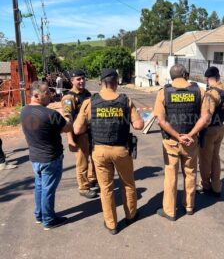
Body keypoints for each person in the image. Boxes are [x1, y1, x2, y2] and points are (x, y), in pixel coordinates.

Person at [73, 68, 144, 235]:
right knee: (128, 184)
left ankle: (111, 224)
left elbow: (77, 129)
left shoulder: (90, 102)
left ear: (101, 83)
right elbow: (139, 125)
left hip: (99, 151)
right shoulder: (126, 100)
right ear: (117, 82)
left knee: (106, 188)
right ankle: (131, 215)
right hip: (121, 150)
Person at [153, 64, 213, 220]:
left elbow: (161, 120)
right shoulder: (200, 91)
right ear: (186, 74)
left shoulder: (163, 92)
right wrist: (191, 134)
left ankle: (170, 211)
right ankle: (189, 207)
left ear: (171, 76)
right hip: (191, 142)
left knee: (170, 175)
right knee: (191, 173)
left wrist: (178, 136)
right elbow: (205, 117)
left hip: (171, 142)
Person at [20, 81, 72, 230]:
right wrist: (67, 116)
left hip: (35, 157)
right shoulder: (51, 114)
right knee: (48, 189)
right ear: (36, 95)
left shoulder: (24, 111)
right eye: (46, 93)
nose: (50, 96)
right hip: (50, 158)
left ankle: (39, 215)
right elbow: (68, 127)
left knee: (39, 187)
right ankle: (48, 220)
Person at [198, 66, 224, 197]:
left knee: (205, 159)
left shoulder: (212, 93)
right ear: (218, 77)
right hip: (221, 128)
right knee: (215, 157)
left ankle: (206, 185)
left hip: (210, 131)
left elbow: (207, 115)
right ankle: (217, 186)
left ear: (207, 79)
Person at [61, 69, 98, 199]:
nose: (81, 81)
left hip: (91, 132)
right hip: (79, 135)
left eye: (83, 78)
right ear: (72, 81)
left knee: (94, 159)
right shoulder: (68, 98)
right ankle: (83, 187)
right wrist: (70, 140)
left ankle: (92, 179)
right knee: (82, 162)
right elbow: (67, 121)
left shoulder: (87, 94)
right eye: (78, 79)